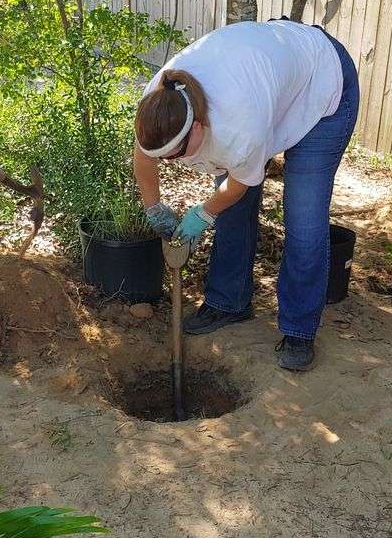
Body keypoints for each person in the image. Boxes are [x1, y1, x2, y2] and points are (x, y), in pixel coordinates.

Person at [134, 18, 359, 372]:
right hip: (270, 80)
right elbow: (144, 157)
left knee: (303, 218)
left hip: (323, 87)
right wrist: (153, 207)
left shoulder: (239, 125)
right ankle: (229, 303)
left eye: (176, 155)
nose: (173, 162)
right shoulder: (160, 102)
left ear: (197, 127)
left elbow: (238, 185)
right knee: (232, 211)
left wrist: (201, 215)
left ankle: (299, 329)